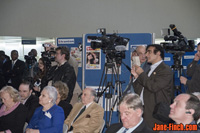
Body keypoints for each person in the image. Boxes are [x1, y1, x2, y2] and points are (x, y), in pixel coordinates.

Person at [131, 44, 174, 128]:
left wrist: (141, 74)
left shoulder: (165, 70)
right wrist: (136, 76)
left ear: (158, 53)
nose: (146, 55)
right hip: (144, 111)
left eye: (149, 52)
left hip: (155, 114)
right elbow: (140, 90)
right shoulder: (150, 69)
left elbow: (153, 87)